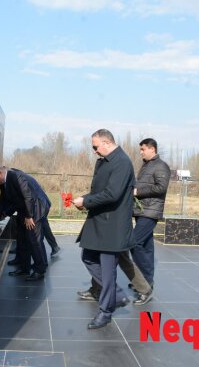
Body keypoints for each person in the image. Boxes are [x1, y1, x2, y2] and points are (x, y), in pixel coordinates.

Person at [73, 129, 135, 329]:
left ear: (107, 143)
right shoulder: (104, 161)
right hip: (99, 221)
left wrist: (86, 201)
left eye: (95, 146)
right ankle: (117, 296)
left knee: (108, 271)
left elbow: (112, 194)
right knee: (88, 257)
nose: (94, 151)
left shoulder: (122, 162)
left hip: (112, 225)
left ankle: (106, 312)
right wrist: (84, 199)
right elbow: (99, 191)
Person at [0, 164, 51, 281]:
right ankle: (24, 268)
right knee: (21, 238)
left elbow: (28, 196)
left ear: (0, 173)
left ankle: (39, 270)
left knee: (33, 240)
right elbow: (3, 201)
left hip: (35, 209)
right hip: (24, 209)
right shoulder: (3, 182)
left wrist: (29, 216)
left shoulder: (16, 177)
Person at [130, 137, 170, 305]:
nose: (141, 152)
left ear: (152, 149)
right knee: (146, 247)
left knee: (134, 242)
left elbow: (161, 187)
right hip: (142, 210)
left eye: (143, 149)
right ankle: (146, 281)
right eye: (140, 149)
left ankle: (144, 285)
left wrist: (138, 191)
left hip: (150, 212)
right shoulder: (147, 165)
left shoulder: (161, 166)